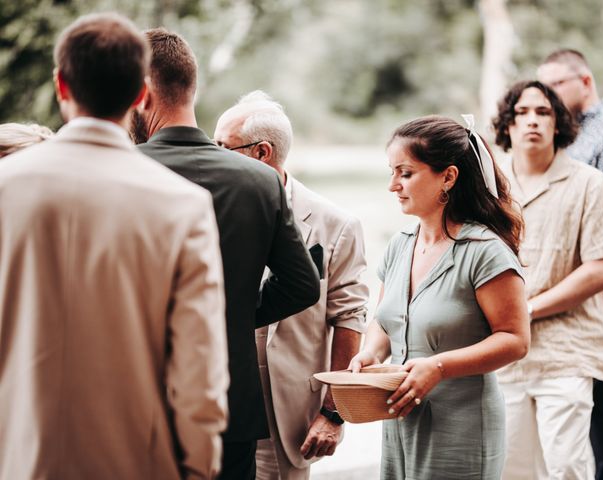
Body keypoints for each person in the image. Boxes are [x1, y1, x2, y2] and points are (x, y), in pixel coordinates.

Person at [0, 13, 229, 480]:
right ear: (141, 94)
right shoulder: (183, 205)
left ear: (62, 85)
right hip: (136, 461)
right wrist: (199, 466)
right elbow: (198, 369)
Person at [132, 29, 320, 480]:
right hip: (229, 406)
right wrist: (231, 312)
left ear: (140, 94)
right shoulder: (261, 180)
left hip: (139, 405)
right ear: (190, 88)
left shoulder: (122, 173)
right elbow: (302, 284)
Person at [348, 114, 530, 479]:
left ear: (448, 176)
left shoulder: (485, 251)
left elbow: (515, 340)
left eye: (405, 173)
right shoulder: (400, 246)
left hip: (462, 426)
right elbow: (385, 321)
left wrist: (439, 366)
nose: (393, 186)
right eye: (392, 172)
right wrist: (370, 353)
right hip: (400, 420)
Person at [214, 91, 369, 480]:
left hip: (286, 415)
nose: (212, 156)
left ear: (262, 152)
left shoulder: (336, 224)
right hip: (216, 401)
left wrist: (334, 412)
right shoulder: (206, 207)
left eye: (221, 147)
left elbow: (349, 318)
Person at [492, 80, 603, 479]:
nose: (532, 121)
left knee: (567, 465)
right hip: (506, 355)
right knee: (512, 468)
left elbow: (600, 270)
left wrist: (528, 309)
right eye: (522, 112)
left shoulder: (589, 183)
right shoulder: (491, 189)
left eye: (543, 112)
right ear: (508, 125)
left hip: (569, 351)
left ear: (558, 124)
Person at [538, 49, 603, 480]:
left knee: (590, 387)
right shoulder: (572, 135)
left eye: (557, 84)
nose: (550, 95)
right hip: (574, 288)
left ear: (585, 81)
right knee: (589, 391)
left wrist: (600, 302)